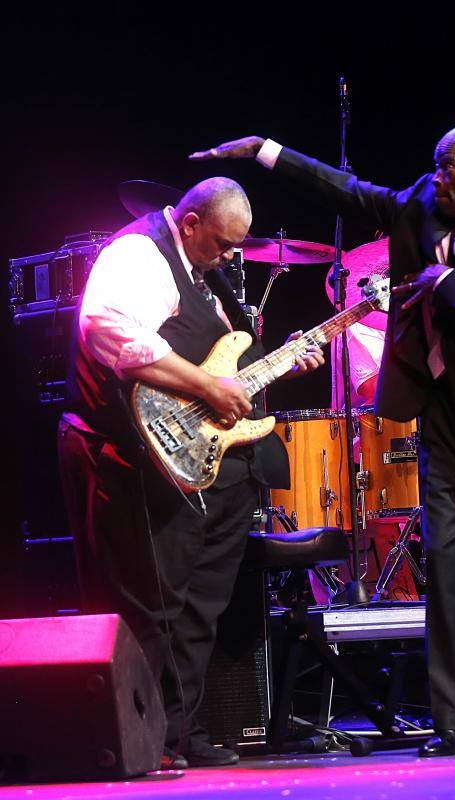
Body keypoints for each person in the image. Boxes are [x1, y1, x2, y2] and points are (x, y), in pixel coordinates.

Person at [189, 128, 455, 754]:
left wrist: (451, 286)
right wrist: (267, 152)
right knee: (449, 571)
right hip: (441, 417)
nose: (435, 177)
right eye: (435, 166)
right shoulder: (422, 202)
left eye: (448, 169)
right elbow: (345, 190)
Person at [58, 177, 324, 769]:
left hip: (206, 463)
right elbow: (107, 327)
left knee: (199, 608)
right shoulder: (139, 253)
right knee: (150, 605)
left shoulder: (207, 276)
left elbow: (226, 367)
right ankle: (126, 737)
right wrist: (206, 385)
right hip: (132, 455)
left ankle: (175, 734)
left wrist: (279, 367)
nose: (234, 257)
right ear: (191, 223)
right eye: (226, 245)